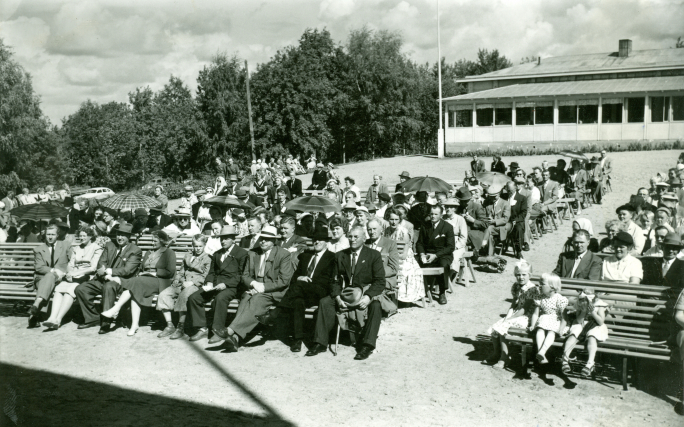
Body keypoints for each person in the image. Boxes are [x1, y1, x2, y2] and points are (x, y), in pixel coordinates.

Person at [306, 226, 386, 360]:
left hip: (364, 293)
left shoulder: (373, 255)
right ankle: (320, 342)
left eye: (356, 237)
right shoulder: (340, 255)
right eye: (350, 236)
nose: (352, 239)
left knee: (376, 306)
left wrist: (368, 297)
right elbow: (334, 281)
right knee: (325, 302)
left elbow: (380, 281)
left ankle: (367, 345)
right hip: (344, 294)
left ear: (364, 238)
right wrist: (337, 297)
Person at [256, 227, 336, 352]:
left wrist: (305, 282)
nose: (317, 242)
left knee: (299, 286)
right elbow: (294, 278)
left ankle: (275, 313)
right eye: (315, 239)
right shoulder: (305, 256)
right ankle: (297, 340)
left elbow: (327, 281)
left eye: (320, 240)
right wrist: (301, 277)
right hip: (301, 293)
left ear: (326, 242)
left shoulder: (332, 257)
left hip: (320, 292)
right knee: (298, 301)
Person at [216, 225, 293, 350]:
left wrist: (263, 287)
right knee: (245, 299)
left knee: (256, 300)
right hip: (254, 287)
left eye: (267, 239)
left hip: (274, 290)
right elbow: (245, 275)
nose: (263, 241)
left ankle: (229, 331)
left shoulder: (283, 254)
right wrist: (254, 284)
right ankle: (235, 339)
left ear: (274, 241)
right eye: (262, 238)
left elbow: (284, 281)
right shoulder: (253, 253)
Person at [100, 230, 176, 336]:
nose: (153, 243)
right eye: (152, 241)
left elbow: (170, 271)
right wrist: (142, 273)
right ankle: (134, 325)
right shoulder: (149, 252)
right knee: (135, 289)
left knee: (135, 283)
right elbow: (141, 268)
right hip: (144, 281)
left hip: (160, 281)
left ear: (162, 241)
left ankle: (115, 309)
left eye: (155, 241)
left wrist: (155, 273)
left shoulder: (169, 252)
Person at [74, 223, 142, 334]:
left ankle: (106, 322)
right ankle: (93, 318)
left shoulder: (135, 250)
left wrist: (109, 272)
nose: (120, 237)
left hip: (121, 282)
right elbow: (101, 263)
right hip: (104, 278)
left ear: (129, 237)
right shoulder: (110, 245)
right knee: (81, 289)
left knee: (108, 287)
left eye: (123, 235)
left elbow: (127, 270)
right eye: (118, 234)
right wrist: (105, 274)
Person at [184, 225, 249, 342]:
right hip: (214, 285)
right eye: (221, 238)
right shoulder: (217, 254)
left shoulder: (241, 253)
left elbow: (241, 275)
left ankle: (217, 330)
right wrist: (209, 282)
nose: (223, 241)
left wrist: (226, 284)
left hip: (232, 286)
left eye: (226, 238)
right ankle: (202, 329)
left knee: (220, 298)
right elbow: (212, 272)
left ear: (233, 239)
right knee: (194, 298)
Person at [42, 226, 103, 330]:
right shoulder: (77, 248)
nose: (82, 238)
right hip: (74, 274)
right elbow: (70, 264)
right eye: (80, 236)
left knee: (69, 291)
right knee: (58, 289)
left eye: (84, 236)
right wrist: (70, 273)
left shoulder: (96, 248)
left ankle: (58, 320)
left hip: (87, 276)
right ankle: (52, 318)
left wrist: (76, 273)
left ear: (90, 236)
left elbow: (93, 268)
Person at [156, 234, 212, 339]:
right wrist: (178, 279)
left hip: (195, 285)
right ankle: (169, 325)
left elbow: (206, 276)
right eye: (195, 246)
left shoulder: (207, 259)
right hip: (183, 282)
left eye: (200, 246)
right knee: (164, 295)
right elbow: (182, 270)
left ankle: (180, 327)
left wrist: (192, 282)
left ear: (204, 245)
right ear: (192, 245)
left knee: (184, 295)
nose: (198, 248)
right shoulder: (188, 256)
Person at [484, 260, 538, 367]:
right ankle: (497, 353)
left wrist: (509, 319)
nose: (521, 277)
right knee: (497, 326)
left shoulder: (532, 289)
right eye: (518, 275)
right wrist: (507, 317)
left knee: (503, 327)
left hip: (527, 317)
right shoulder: (516, 287)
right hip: (516, 315)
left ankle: (504, 358)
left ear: (530, 275)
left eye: (524, 275)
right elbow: (513, 305)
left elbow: (524, 309)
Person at [27, 224, 71, 328]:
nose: (50, 237)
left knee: (50, 278)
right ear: (45, 235)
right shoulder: (39, 249)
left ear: (57, 235)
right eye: (48, 234)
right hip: (41, 278)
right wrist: (54, 270)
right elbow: (39, 267)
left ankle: (36, 307)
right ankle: (37, 309)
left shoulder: (65, 245)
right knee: (50, 276)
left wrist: (65, 273)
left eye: (53, 234)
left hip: (60, 278)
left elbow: (72, 262)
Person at [559, 288, 609, 377]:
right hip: (581, 324)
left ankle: (590, 363)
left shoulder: (600, 304)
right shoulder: (581, 303)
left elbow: (600, 322)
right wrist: (584, 311)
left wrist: (592, 312)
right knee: (574, 334)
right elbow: (578, 321)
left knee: (592, 336)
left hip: (595, 325)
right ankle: (565, 359)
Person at [416, 205, 455, 305]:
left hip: (442, 254)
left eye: (435, 214)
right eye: (431, 214)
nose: (433, 216)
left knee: (443, 264)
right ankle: (417, 290)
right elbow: (419, 243)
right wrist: (421, 254)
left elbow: (450, 247)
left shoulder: (447, 227)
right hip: (427, 254)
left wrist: (436, 255)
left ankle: (442, 292)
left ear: (441, 215)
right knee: (414, 263)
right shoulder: (425, 225)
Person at [385, 208, 425, 305]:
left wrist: (393, 257)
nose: (393, 222)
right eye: (391, 219)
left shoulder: (404, 232)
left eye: (396, 220)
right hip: (390, 256)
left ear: (399, 220)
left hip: (404, 257)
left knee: (404, 270)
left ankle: (402, 298)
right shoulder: (387, 231)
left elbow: (404, 254)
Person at [530, 273, 568, 364]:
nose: (539, 285)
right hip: (545, 318)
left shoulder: (560, 299)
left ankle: (542, 351)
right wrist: (532, 325)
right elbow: (536, 314)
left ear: (552, 287)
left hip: (556, 320)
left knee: (552, 331)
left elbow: (564, 317)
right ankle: (541, 353)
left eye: (542, 284)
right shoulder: (540, 298)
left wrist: (561, 328)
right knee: (540, 329)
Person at [366, 218, 399, 306]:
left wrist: (375, 273)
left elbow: (393, 268)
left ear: (381, 230)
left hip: (385, 279)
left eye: (374, 229)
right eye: (369, 229)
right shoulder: (365, 244)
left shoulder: (390, 244)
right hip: (367, 279)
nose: (372, 232)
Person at [481, 187, 511, 257]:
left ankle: (483, 244)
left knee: (489, 228)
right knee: (490, 236)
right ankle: (490, 255)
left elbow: (505, 219)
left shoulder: (505, 203)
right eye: (491, 197)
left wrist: (494, 221)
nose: (493, 199)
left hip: (501, 226)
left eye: (495, 197)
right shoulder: (487, 202)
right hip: (489, 226)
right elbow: (483, 214)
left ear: (499, 194)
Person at [442, 199, 468, 274]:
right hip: (443, 244)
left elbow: (463, 237)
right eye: (447, 207)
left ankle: (449, 278)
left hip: (457, 246)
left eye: (451, 207)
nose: (448, 209)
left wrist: (455, 246)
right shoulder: (442, 218)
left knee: (453, 258)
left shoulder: (460, 219)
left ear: (455, 209)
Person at [504, 180, 528, 258]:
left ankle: (518, 250)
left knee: (518, 229)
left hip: (516, 220)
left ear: (515, 188)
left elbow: (523, 213)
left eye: (510, 190)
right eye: (507, 190)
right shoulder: (504, 196)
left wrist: (515, 220)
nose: (509, 192)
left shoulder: (522, 198)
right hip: (505, 220)